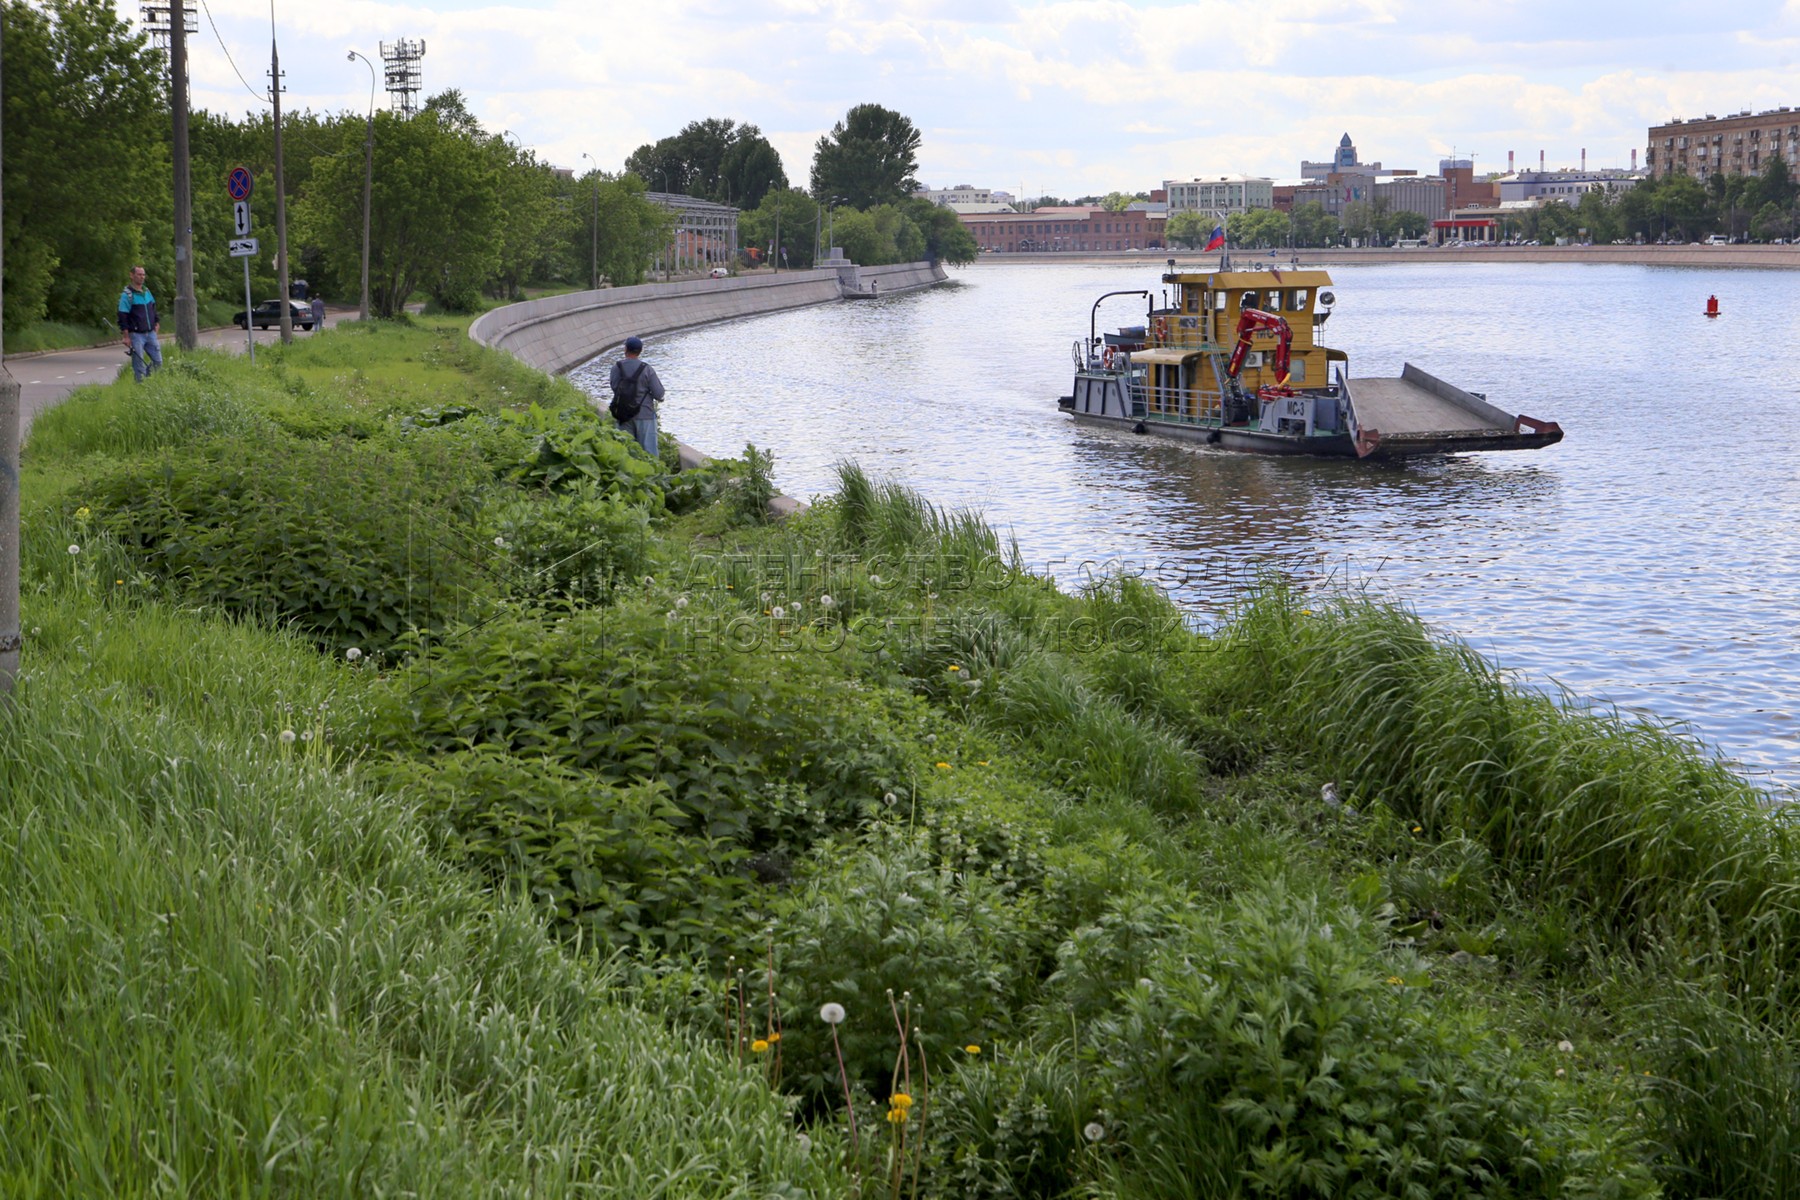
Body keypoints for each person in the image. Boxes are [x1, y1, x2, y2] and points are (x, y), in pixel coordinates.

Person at [608, 335, 665, 456]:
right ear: (640, 351)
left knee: (626, 451)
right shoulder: (647, 369)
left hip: (623, 414)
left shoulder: (616, 367)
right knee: (649, 453)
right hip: (645, 414)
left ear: (625, 350)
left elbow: (614, 387)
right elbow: (659, 393)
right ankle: (651, 473)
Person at [118, 265, 162, 382]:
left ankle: (148, 379)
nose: (142, 277)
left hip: (150, 332)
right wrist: (126, 336)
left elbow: (153, 308)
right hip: (136, 334)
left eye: (143, 274)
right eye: (139, 274)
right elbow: (123, 316)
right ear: (132, 275)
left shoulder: (147, 292)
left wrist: (156, 323)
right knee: (139, 364)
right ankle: (141, 386)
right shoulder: (127, 295)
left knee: (158, 361)